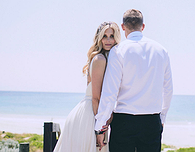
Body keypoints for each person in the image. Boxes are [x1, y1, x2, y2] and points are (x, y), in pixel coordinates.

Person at [95, 9, 173, 152]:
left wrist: (100, 127)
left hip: (124, 121)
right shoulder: (161, 50)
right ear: (142, 27)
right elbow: (168, 89)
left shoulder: (118, 51)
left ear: (123, 26)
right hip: (152, 121)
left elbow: (110, 92)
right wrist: (162, 117)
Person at [53, 21, 121, 152]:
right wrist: (99, 129)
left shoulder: (106, 59)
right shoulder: (100, 59)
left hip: (91, 113)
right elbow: (96, 98)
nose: (108, 40)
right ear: (99, 38)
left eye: (111, 36)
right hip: (90, 116)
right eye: (104, 36)